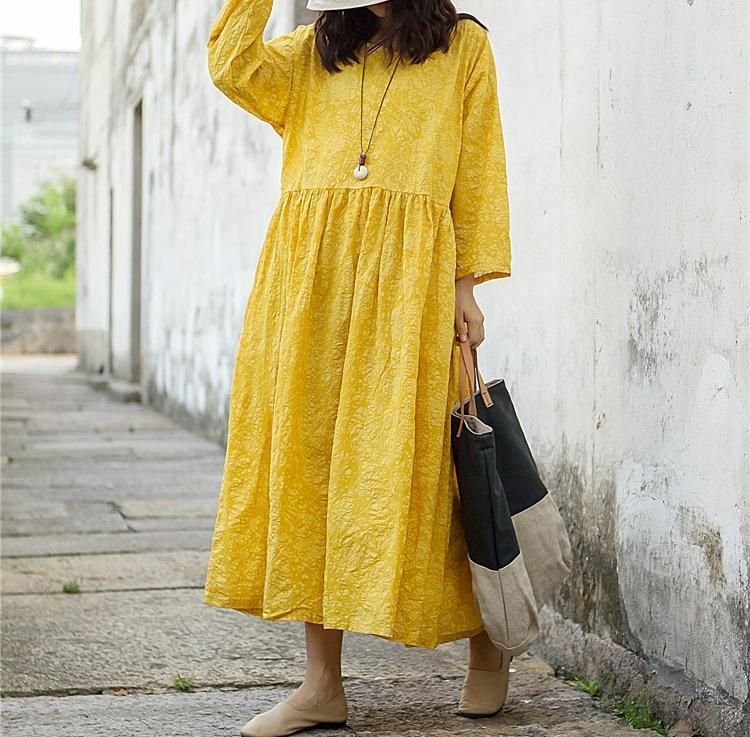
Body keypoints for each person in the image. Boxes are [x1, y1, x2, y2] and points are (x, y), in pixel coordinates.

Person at [203, 0, 513, 734]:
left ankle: (488, 643)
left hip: (410, 285)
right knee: (309, 469)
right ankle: (320, 685)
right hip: (309, 287)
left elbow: (478, 161)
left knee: (430, 471)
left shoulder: (462, 46)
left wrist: (466, 284)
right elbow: (229, 66)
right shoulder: (311, 51)